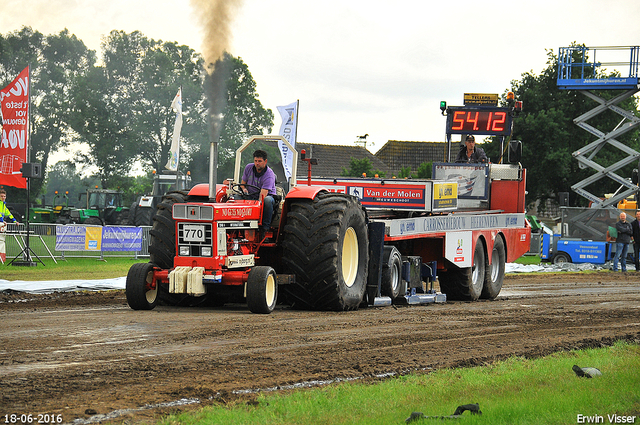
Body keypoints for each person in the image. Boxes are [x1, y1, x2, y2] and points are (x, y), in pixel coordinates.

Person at [239, 150, 277, 233]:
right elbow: (242, 184)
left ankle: (265, 228)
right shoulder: (248, 168)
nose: (257, 163)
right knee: (236, 198)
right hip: (250, 195)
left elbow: (262, 196)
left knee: (267, 201)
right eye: (255, 161)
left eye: (260, 161)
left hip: (264, 196)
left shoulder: (269, 175)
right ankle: (237, 224)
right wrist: (244, 189)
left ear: (265, 161)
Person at [0, 189, 19, 263]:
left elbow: (9, 214)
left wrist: (15, 221)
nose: (3, 197)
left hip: (1, 223)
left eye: (4, 196)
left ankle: (2, 258)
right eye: (1, 196)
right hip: (0, 223)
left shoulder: (3, 205)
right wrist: (2, 221)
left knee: (2, 241)